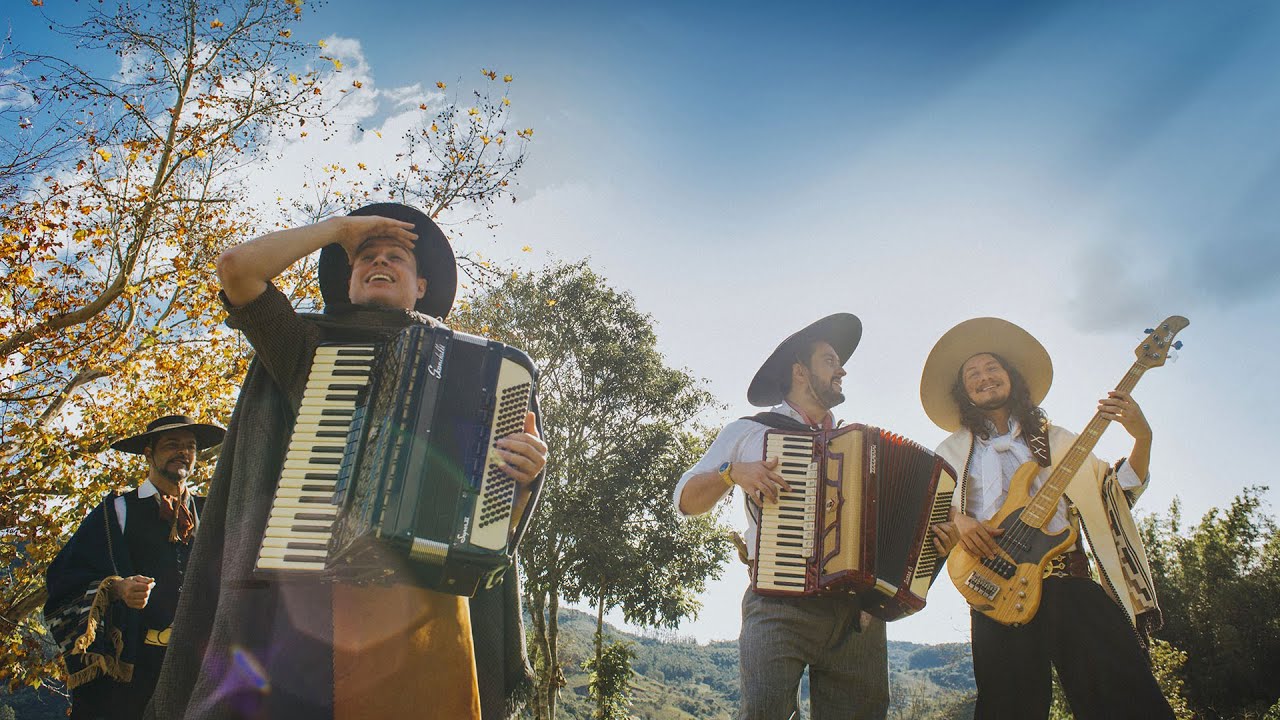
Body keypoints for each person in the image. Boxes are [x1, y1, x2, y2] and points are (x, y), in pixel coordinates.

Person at [146, 203, 548, 720]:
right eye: (365, 257)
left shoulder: (483, 373)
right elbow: (237, 269)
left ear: (421, 285)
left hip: (427, 608)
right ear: (349, 279)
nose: (379, 261)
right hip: (307, 603)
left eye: (396, 257)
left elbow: (492, 529)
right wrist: (339, 231)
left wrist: (521, 476)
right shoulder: (306, 343)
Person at [921, 317, 1173, 720]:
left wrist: (1142, 437)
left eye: (992, 368)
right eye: (973, 374)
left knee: (1126, 700)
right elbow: (924, 510)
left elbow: (1116, 492)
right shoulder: (950, 451)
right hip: (995, 588)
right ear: (963, 391)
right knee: (1008, 710)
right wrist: (959, 518)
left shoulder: (1058, 440)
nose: (984, 378)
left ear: (1011, 377)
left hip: (1068, 580)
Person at [674, 314, 889, 720]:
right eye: (829, 359)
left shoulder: (862, 447)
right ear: (799, 372)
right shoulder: (749, 432)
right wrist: (731, 473)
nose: (842, 369)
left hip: (854, 614)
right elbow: (685, 500)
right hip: (776, 606)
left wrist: (876, 597)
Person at [45, 414, 226, 720]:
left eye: (190, 446)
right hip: (133, 668)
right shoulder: (117, 509)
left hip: (198, 665)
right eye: (172, 444)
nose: (183, 452)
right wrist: (115, 588)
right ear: (148, 452)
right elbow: (63, 576)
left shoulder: (212, 511)